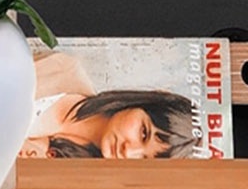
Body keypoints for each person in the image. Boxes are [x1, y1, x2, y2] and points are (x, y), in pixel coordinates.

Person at [21, 49, 197, 159]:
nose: (128, 151)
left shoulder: (77, 180)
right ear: (144, 103)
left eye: (143, 159)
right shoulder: (62, 69)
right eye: (143, 133)